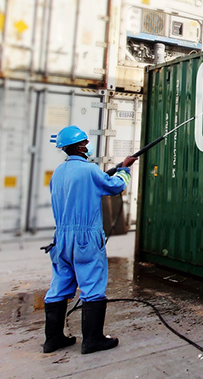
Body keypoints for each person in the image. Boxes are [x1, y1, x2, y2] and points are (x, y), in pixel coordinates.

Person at [42, 125, 137, 354]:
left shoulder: (58, 172)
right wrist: (124, 169)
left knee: (59, 285)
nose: (88, 144)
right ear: (81, 145)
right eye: (85, 141)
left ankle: (52, 340)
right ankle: (92, 341)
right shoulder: (89, 171)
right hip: (86, 238)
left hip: (61, 239)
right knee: (92, 285)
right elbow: (116, 187)